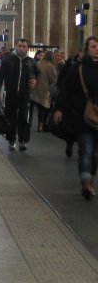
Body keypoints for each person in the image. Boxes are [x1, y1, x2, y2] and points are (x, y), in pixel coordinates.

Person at [52, 36, 98, 200]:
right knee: (86, 149)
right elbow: (65, 90)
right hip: (80, 116)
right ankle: (86, 182)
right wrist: (59, 109)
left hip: (97, 119)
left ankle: (89, 179)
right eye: (93, 46)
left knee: (94, 154)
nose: (96, 49)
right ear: (86, 50)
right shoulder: (77, 68)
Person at [0, 38, 39, 151]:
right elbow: (1, 77)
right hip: (11, 94)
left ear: (27, 48)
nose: (22, 48)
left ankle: (22, 140)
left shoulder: (31, 62)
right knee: (11, 118)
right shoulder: (8, 60)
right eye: (20, 46)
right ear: (16, 46)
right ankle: (11, 139)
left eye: (24, 46)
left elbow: (38, 73)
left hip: (25, 94)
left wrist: (35, 80)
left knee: (24, 118)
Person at [31, 50, 57, 132]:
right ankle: (41, 125)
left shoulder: (39, 63)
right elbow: (53, 79)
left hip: (36, 88)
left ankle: (37, 124)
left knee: (40, 108)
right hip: (45, 89)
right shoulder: (50, 66)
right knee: (44, 108)